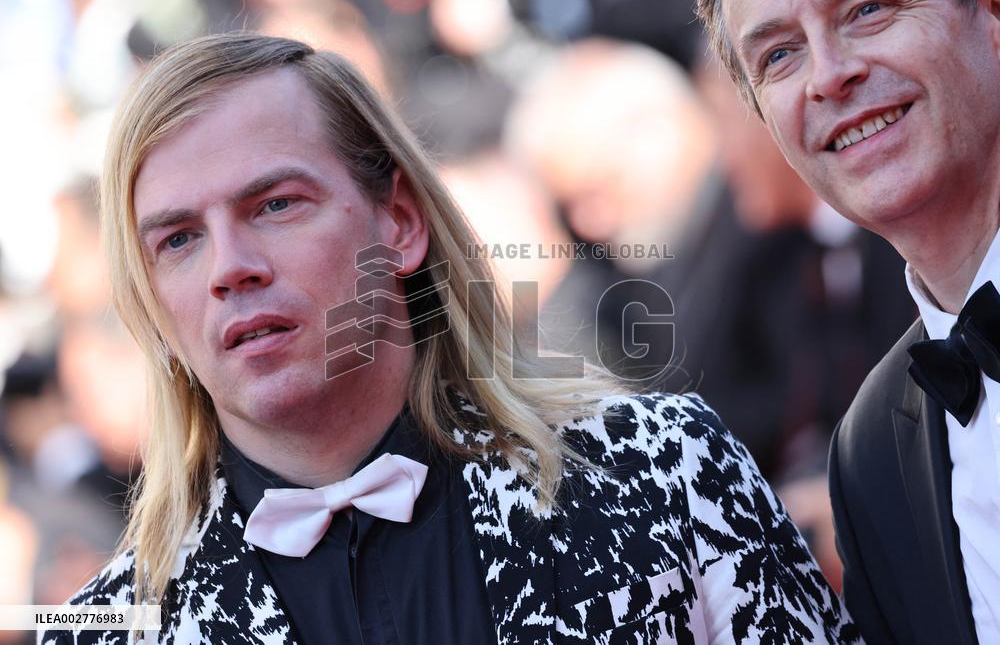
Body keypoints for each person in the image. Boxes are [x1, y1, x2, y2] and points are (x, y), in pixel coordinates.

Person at [40, 33, 856, 644]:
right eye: (177, 239)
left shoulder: (665, 475)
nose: (231, 267)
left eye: (276, 205)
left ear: (398, 223)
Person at [683, 0, 1000, 642]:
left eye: (868, 11)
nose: (828, 76)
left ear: (992, 6)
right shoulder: (870, 458)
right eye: (778, 55)